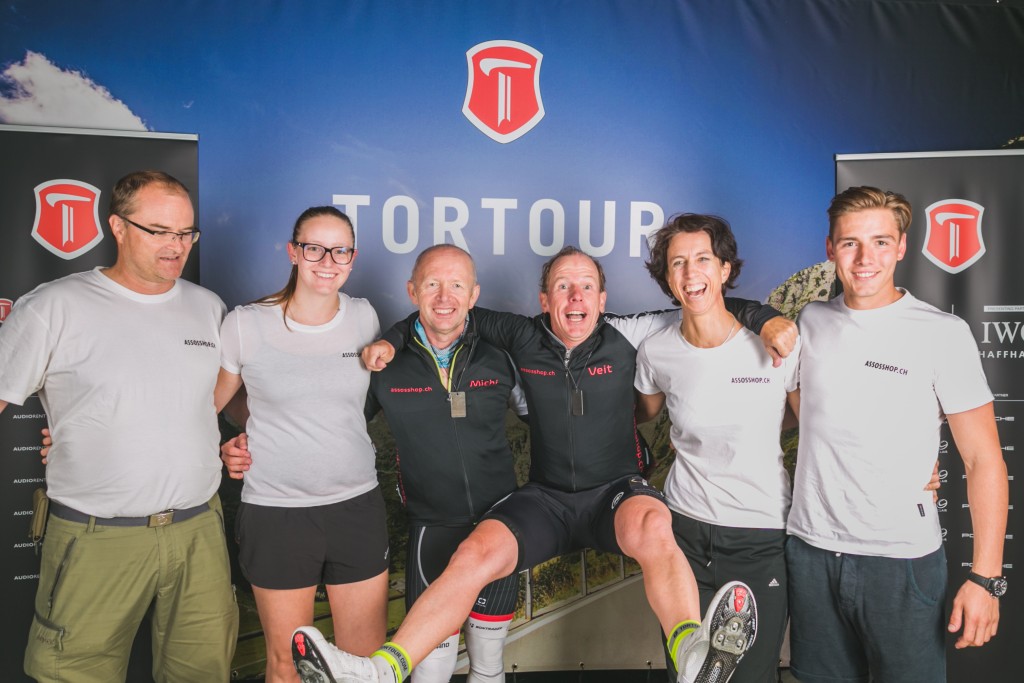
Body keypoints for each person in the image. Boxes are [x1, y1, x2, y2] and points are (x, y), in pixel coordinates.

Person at [291, 245, 799, 683]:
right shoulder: (521, 334)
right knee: (474, 553)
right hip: (547, 499)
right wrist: (392, 340)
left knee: (653, 523)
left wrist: (763, 317)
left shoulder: (633, 331)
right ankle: (384, 669)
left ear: (602, 299)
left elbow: (706, 302)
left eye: (586, 287)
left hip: (613, 493)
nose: (575, 298)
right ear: (543, 300)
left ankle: (691, 652)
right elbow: (439, 312)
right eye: (562, 287)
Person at [225, 244, 523, 683]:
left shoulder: (502, 357)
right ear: (411, 291)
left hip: (499, 526)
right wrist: (252, 440)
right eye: (432, 284)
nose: (445, 297)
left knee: (489, 663)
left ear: (474, 294)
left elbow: (548, 420)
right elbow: (328, 423)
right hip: (430, 531)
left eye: (457, 285)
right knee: (430, 666)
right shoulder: (384, 362)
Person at [0, 171, 238, 682]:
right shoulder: (53, 307)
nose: (177, 246)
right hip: (96, 538)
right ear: (118, 227)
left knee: (204, 672)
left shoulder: (208, 307)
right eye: (159, 231)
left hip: (198, 532)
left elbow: (214, 404)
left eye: (186, 233)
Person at [785, 186, 1009, 682]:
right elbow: (807, 406)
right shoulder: (811, 320)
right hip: (811, 551)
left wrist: (986, 578)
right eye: (850, 243)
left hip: (900, 560)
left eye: (881, 242)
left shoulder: (941, 332)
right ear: (830, 248)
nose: (865, 259)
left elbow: (984, 460)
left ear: (902, 246)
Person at [215, 206, 389, 683]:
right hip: (277, 513)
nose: (327, 261)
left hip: (356, 507)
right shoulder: (246, 324)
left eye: (340, 251)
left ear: (353, 258)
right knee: (286, 665)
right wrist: (225, 446)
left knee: (365, 663)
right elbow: (209, 407)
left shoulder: (363, 316)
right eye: (314, 248)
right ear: (293, 252)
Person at [634, 214, 799, 683]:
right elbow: (635, 415)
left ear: (725, 268)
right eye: (677, 263)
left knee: (750, 674)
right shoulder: (656, 351)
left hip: (759, 534)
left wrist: (903, 467)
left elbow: (819, 425)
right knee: (688, 674)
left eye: (703, 259)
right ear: (667, 277)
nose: (691, 273)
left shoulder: (776, 344)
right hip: (683, 535)